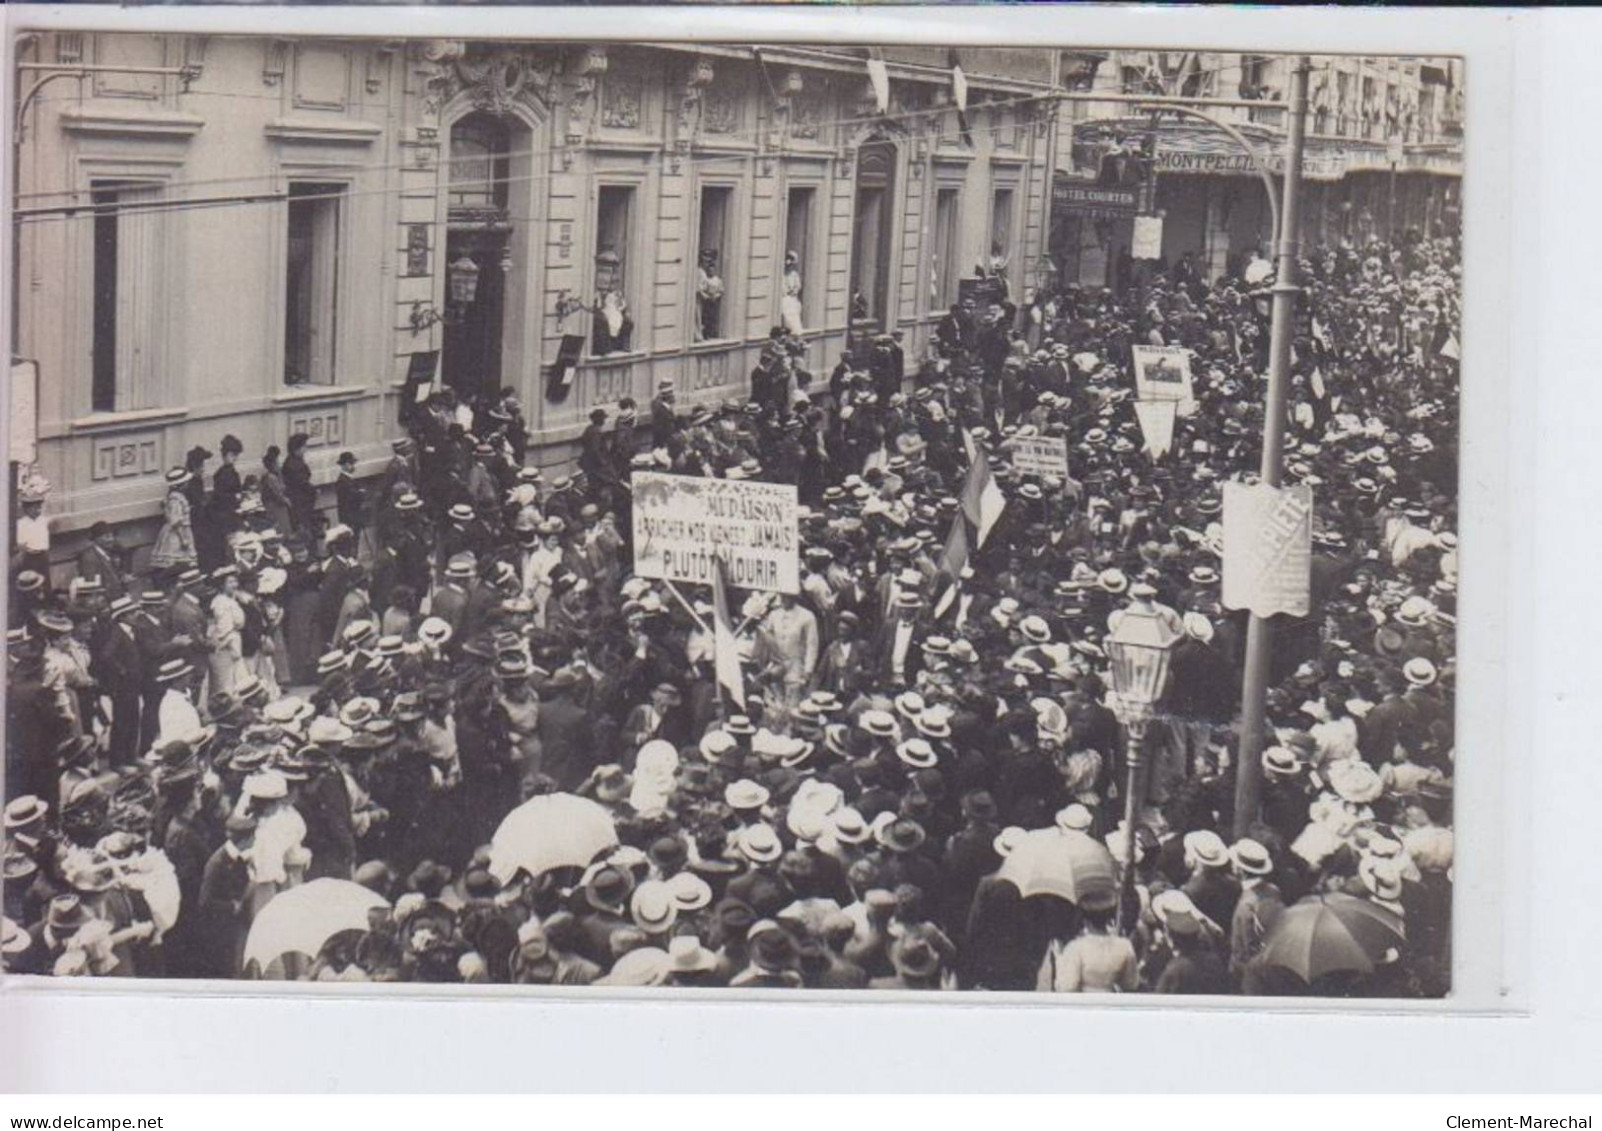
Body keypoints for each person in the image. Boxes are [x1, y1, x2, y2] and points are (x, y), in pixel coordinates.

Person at [149, 468, 198, 578]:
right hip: (176, 533)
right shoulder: (176, 499)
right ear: (181, 485)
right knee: (176, 561)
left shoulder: (174, 497)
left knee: (178, 561)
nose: (188, 485)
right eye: (186, 483)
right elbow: (176, 521)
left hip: (178, 530)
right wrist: (183, 539)